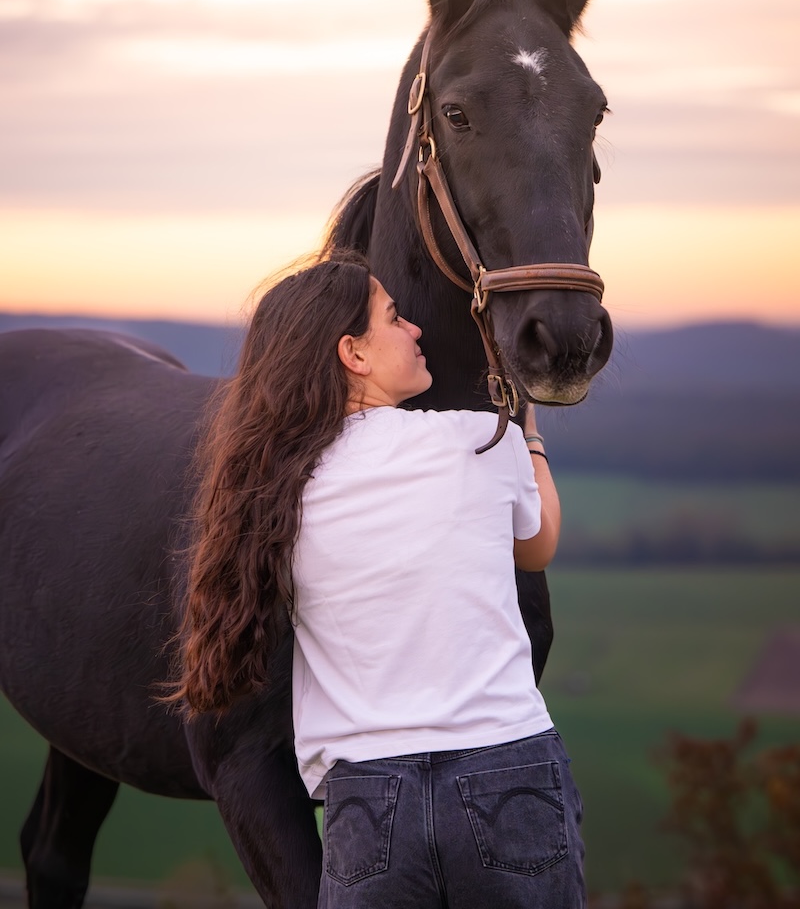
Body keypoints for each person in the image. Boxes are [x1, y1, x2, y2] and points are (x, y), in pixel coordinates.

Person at [174, 251, 585, 908]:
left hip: (367, 799)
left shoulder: (276, 493)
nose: (415, 329)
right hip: (505, 770)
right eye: (394, 318)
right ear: (353, 354)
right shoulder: (482, 439)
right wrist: (529, 436)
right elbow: (537, 547)